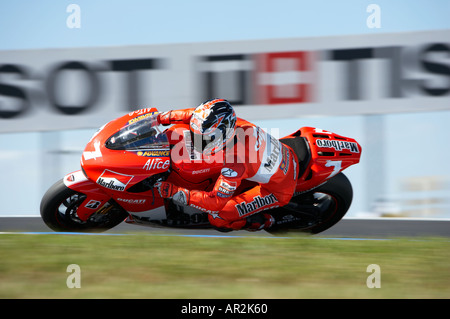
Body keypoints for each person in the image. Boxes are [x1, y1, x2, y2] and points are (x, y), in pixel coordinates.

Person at [155, 99, 299, 231]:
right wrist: (160, 117)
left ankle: (263, 221)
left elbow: (215, 203)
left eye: (202, 139)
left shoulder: (235, 163)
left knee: (217, 217)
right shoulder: (234, 124)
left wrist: (175, 192)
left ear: (221, 136)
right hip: (283, 155)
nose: (195, 142)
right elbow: (193, 115)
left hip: (278, 189)